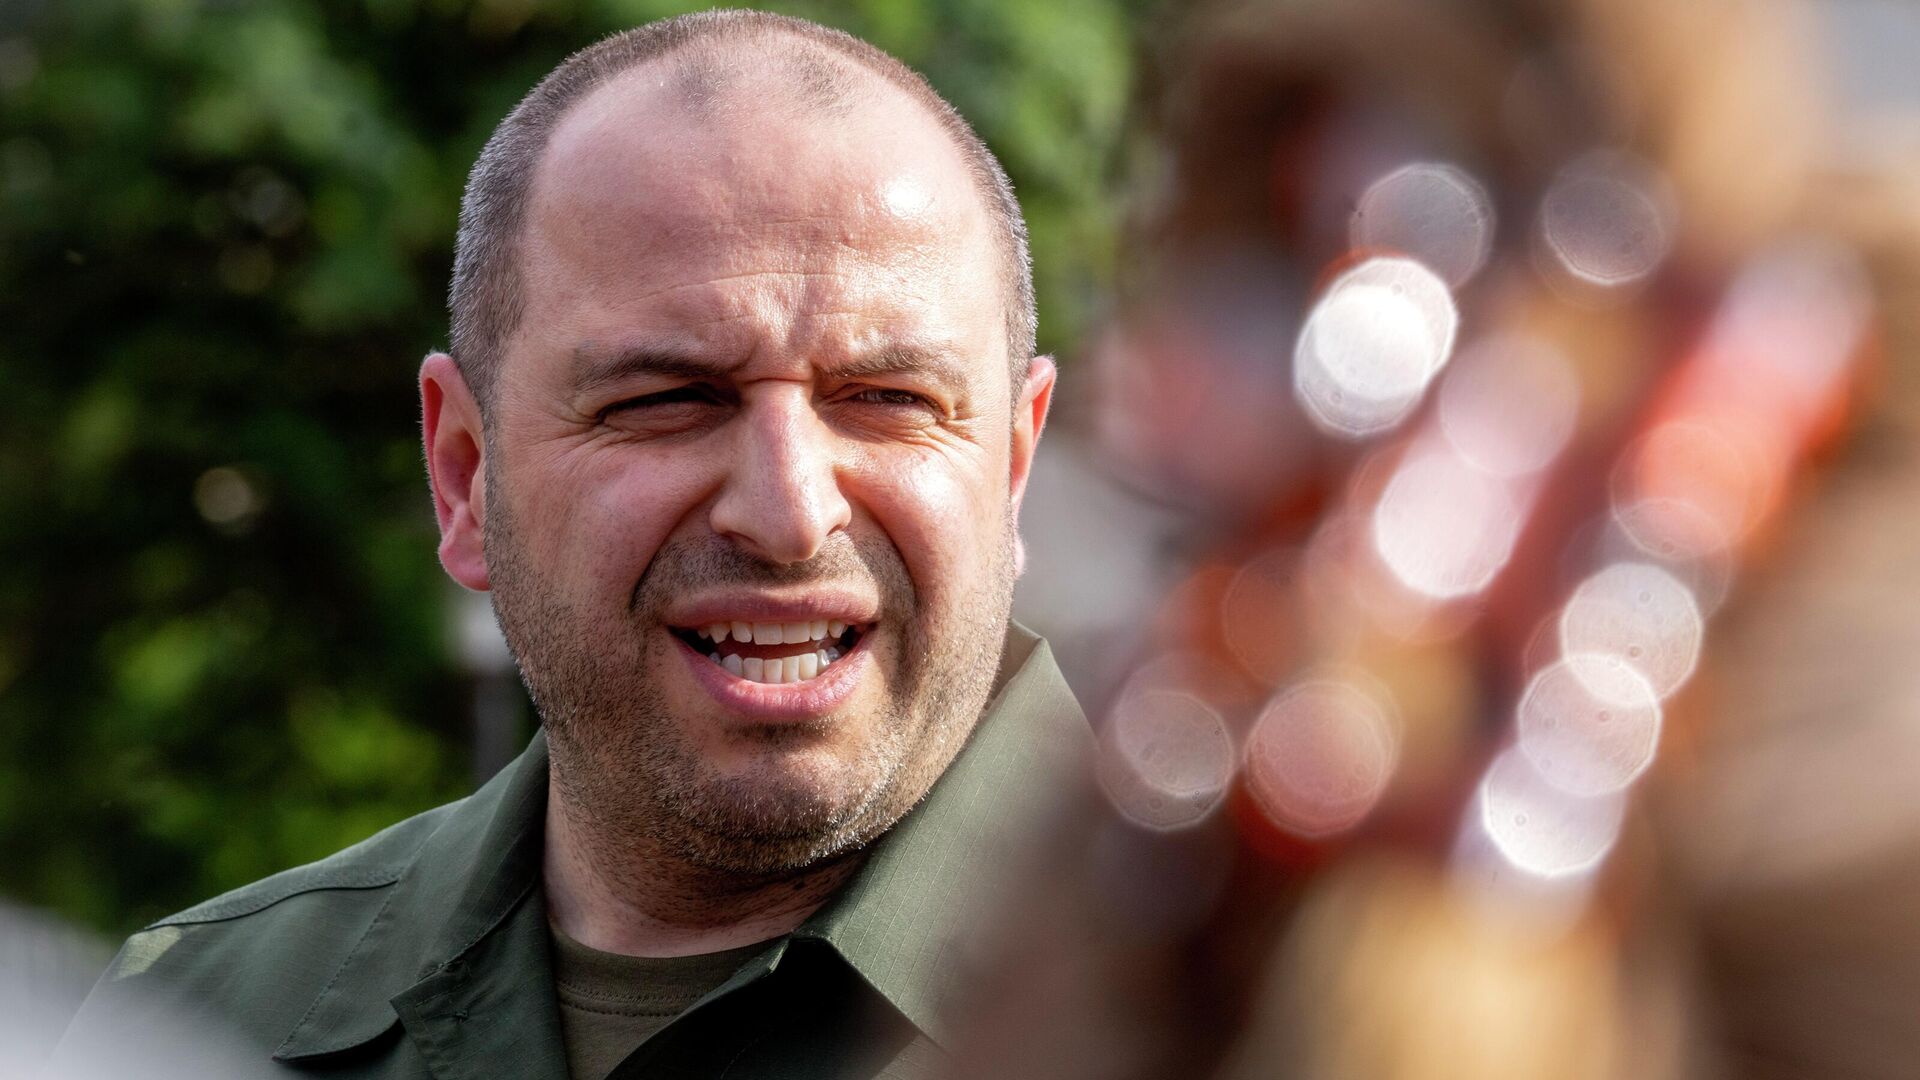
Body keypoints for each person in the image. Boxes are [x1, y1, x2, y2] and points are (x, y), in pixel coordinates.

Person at [52, 10, 1083, 1078]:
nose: (788, 514)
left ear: (1013, 467)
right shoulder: (192, 1030)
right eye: (667, 400)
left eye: (889, 399)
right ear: (465, 476)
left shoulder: (1196, 1012)